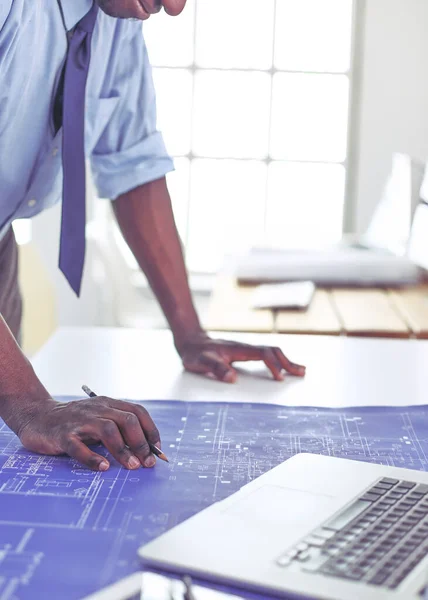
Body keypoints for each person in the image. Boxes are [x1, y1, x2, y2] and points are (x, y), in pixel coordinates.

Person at [0, 0, 305, 472]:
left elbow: (132, 162)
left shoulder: (112, 16)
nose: (175, 7)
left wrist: (191, 334)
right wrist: (30, 403)